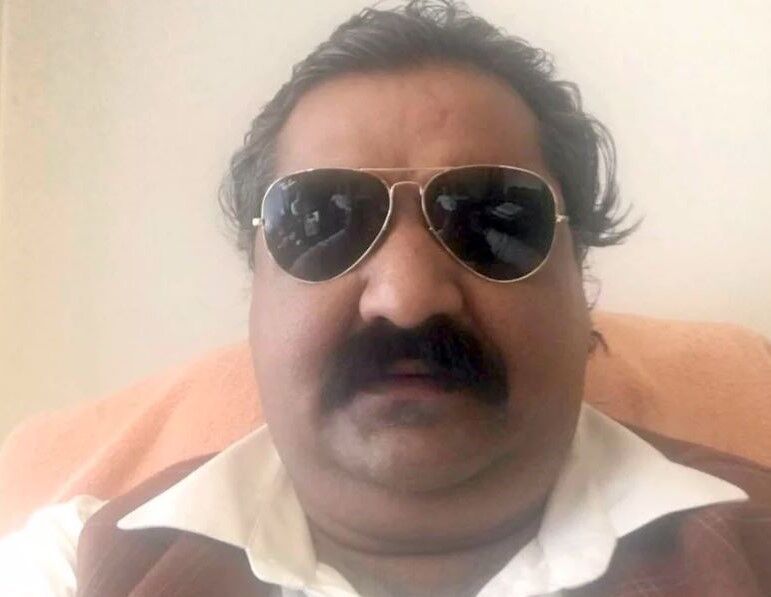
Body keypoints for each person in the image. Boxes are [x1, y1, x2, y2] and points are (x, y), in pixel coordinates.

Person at [1, 2, 770, 595]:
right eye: (320, 221)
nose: (406, 298)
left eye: (493, 218)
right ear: (256, 290)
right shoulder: (72, 566)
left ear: (581, 284)